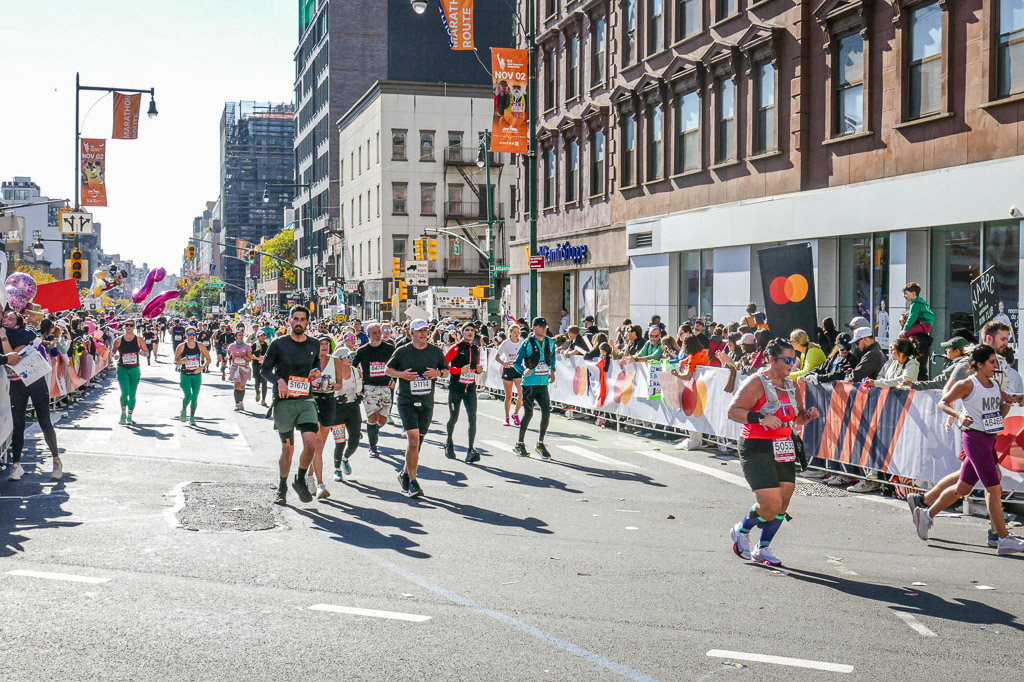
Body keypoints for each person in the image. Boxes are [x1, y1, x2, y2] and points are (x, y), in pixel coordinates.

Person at [912, 345, 1024, 555]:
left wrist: (1014, 400)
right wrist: (959, 415)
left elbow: (1000, 408)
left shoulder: (993, 384)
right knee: (993, 488)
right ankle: (1003, 538)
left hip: (989, 438)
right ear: (979, 365)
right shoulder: (967, 384)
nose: (995, 366)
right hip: (974, 438)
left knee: (963, 488)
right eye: (991, 362)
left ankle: (926, 515)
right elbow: (943, 403)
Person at [727, 338, 821, 566]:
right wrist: (761, 417)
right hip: (756, 445)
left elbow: (796, 416)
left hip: (784, 445)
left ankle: (763, 548)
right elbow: (733, 411)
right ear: (772, 360)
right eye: (787, 359)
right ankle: (742, 529)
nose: (792, 364)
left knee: (783, 502)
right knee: (769, 505)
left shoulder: (792, 384)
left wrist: (807, 416)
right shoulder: (756, 382)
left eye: (794, 359)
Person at [260, 306, 322, 506]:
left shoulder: (314, 343)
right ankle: (282, 486)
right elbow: (264, 369)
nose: (298, 322)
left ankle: (300, 479)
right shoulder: (278, 344)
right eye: (295, 318)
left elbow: (316, 367)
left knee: (312, 444)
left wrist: (316, 374)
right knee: (288, 448)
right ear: (289, 321)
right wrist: (279, 381)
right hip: (284, 401)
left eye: (302, 319)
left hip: (305, 400)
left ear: (307, 323)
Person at [385, 318, 449, 498]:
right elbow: (388, 370)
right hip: (406, 400)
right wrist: (402, 375)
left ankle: (405, 473)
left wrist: (438, 373)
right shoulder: (402, 351)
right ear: (410, 332)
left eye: (425, 330)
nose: (423, 333)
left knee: (418, 442)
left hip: (427, 401)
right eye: (419, 330)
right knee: (413, 441)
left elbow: (446, 370)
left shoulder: (435, 351)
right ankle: (413, 482)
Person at [1, 322, 61, 481]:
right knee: (18, 424)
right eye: (5, 316)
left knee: (44, 421)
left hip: (35, 380)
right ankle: (16, 465)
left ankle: (56, 460)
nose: (7, 318)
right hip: (16, 383)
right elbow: (8, 356)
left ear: (18, 322)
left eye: (10, 316)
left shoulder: (17, 332)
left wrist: (5, 337)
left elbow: (30, 335)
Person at [512, 317, 557, 460]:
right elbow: (517, 362)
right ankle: (520, 442)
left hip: (543, 383)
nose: (544, 328)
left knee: (546, 412)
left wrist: (552, 370)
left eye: (545, 326)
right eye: (541, 326)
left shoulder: (550, 342)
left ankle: (540, 442)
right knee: (528, 413)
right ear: (534, 327)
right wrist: (523, 370)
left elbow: (553, 356)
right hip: (529, 384)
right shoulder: (527, 343)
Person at [353, 321, 395, 458]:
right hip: (369, 387)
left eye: (379, 332)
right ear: (368, 335)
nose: (378, 335)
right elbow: (353, 367)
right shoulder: (362, 350)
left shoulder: (389, 348)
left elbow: (397, 366)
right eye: (375, 333)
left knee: (382, 420)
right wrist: (358, 384)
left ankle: (372, 430)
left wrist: (394, 379)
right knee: (372, 417)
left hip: (385, 387)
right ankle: (372, 447)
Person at [444, 322, 484, 463]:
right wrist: (458, 370)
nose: (469, 332)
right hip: (456, 388)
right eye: (467, 330)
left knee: (472, 419)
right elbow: (444, 366)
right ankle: (449, 442)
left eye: (472, 330)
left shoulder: (477, 349)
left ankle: (470, 450)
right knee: (453, 418)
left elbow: (476, 368)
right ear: (461, 333)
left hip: (470, 389)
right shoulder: (455, 348)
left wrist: (479, 370)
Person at [310, 336, 343, 500]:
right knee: (316, 443)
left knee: (320, 445)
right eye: (321, 344)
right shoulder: (310, 359)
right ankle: (320, 484)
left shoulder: (335, 360)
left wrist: (332, 385)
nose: (324, 347)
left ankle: (309, 475)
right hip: (313, 400)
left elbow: (340, 385)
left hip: (329, 400)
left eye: (327, 345)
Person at [331, 346, 364, 482]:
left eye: (352, 357)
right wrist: (335, 398)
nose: (351, 359)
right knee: (340, 442)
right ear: (339, 359)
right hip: (337, 411)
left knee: (354, 440)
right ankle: (337, 469)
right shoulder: (333, 373)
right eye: (348, 357)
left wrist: (360, 396)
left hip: (353, 409)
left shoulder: (356, 372)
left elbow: (361, 390)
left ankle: (345, 459)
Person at [112, 319, 148, 426]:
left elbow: (147, 352)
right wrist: (114, 355)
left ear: (134, 327)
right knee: (125, 392)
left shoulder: (139, 340)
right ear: (124, 327)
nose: (128, 327)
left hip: (134, 370)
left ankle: (129, 415)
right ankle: (123, 413)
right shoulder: (118, 340)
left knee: (132, 395)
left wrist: (143, 353)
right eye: (127, 325)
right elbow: (113, 351)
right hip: (122, 369)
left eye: (131, 325)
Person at [174, 326, 211, 424]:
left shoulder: (200, 346)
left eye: (193, 334)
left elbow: (209, 359)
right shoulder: (181, 346)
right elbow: (175, 361)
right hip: (185, 375)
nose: (191, 336)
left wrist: (202, 367)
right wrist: (180, 362)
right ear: (185, 335)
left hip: (196, 375)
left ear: (196, 335)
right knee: (188, 396)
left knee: (194, 397)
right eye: (189, 334)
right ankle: (183, 409)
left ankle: (192, 417)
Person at [497, 324, 524, 426]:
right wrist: (503, 363)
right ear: (510, 332)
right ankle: (507, 417)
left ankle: (516, 414)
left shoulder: (522, 341)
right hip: (508, 370)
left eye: (518, 332)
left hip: (518, 369)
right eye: (514, 332)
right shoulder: (506, 343)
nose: (516, 334)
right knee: (509, 395)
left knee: (521, 394)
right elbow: (497, 356)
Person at [227, 329, 253, 411]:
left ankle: (241, 402)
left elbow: (250, 359)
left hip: (244, 368)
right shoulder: (232, 346)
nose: (241, 337)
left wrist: (243, 356)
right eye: (239, 335)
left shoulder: (247, 347)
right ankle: (237, 403)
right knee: (237, 385)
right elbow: (229, 354)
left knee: (242, 386)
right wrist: (229, 358)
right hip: (235, 368)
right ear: (235, 337)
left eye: (242, 335)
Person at [251, 330, 270, 406]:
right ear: (258, 337)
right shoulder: (255, 345)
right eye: (261, 335)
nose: (263, 337)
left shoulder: (267, 344)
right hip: (256, 365)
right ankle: (257, 392)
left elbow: (270, 354)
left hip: (265, 366)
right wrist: (257, 358)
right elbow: (250, 355)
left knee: (264, 382)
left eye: (264, 335)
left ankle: (263, 400)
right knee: (257, 381)